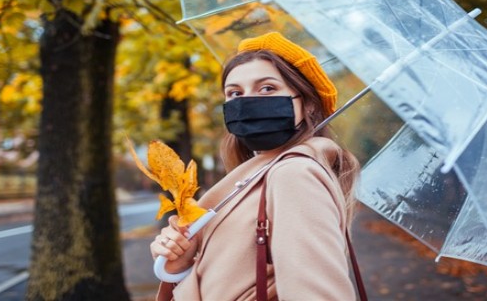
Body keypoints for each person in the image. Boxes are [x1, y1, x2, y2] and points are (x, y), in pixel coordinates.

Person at [150, 32, 361, 301]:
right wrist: (183, 263)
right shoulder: (259, 175)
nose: (248, 101)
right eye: (235, 93)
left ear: (307, 104)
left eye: (267, 88)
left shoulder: (294, 175)